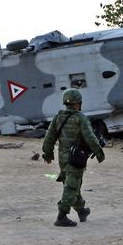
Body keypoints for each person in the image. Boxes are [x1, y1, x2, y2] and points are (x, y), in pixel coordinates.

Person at [42, 88, 105, 227]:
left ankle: (82, 211)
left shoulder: (58, 117)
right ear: (78, 103)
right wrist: (99, 152)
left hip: (63, 158)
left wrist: (47, 153)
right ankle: (61, 216)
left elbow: (49, 137)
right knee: (71, 187)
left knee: (73, 185)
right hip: (76, 157)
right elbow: (90, 137)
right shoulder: (80, 118)